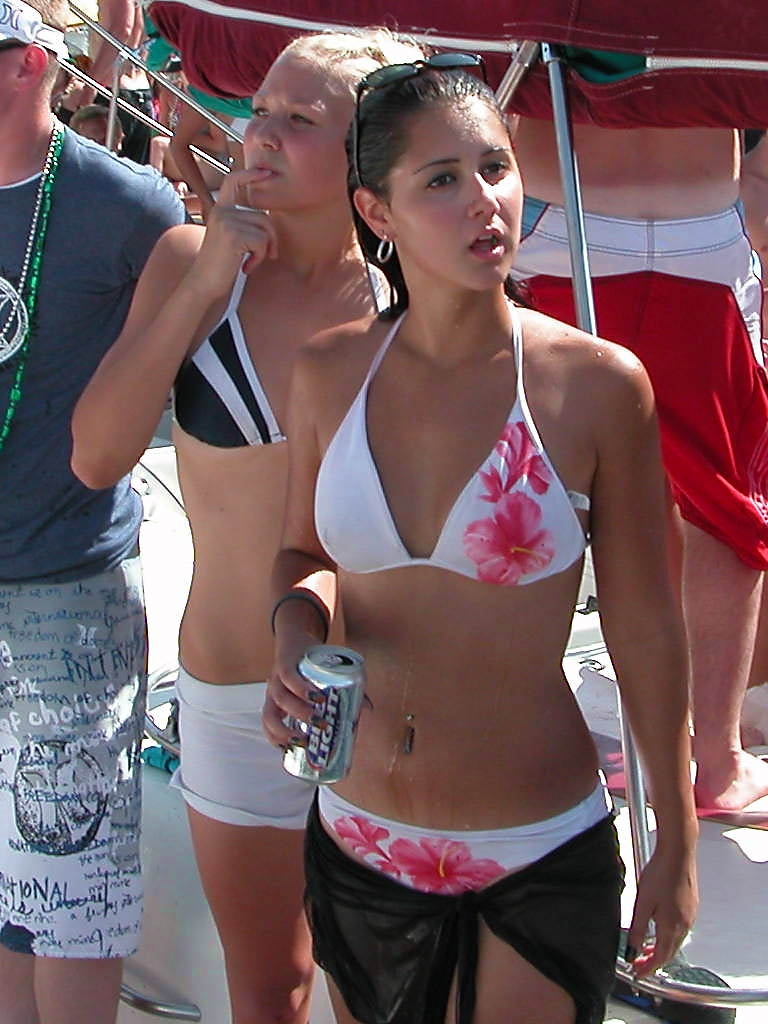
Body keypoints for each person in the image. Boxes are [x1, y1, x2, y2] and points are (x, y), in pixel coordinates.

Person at [263, 59, 698, 1024]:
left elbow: (645, 627)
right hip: (357, 832)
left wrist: (675, 834)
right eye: (441, 179)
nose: (483, 200)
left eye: (496, 167)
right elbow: (303, 557)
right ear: (376, 212)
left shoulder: (596, 386)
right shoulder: (331, 371)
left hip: (537, 842)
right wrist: (293, 630)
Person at [71, 28, 426, 1024]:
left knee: (378, 990)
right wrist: (204, 279)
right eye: (259, 110)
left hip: (388, 692)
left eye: (298, 120)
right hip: (231, 698)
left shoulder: (413, 295)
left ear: (366, 152)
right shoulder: (195, 265)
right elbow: (96, 454)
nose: (260, 134)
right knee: (269, 988)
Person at [0, 0, 185, 1020]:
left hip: (67, 594)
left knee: (69, 894)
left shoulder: (127, 204)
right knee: (5, 889)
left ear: (29, 64)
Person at [512, 112, 768, 813]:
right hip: (697, 218)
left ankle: (512, 740)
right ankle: (714, 763)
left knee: (526, 487)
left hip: (556, 215)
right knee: (723, 504)